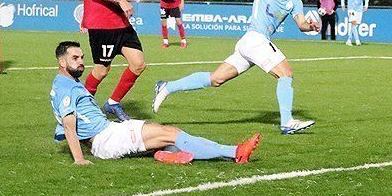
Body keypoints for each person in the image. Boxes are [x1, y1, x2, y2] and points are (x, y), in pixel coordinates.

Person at [152, 0, 319, 135]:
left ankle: (166, 87)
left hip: (250, 44)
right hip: (255, 39)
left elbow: (301, 23)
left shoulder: (295, 1)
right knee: (286, 73)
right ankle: (287, 122)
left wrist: (310, 26)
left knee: (216, 79)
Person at [51, 41, 260, 165]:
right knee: (171, 133)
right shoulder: (65, 88)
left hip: (107, 134)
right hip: (106, 138)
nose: (81, 62)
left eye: (81, 57)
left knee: (163, 136)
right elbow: (69, 126)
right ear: (62, 62)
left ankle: (163, 155)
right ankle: (236, 152)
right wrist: (78, 159)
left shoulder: (66, 84)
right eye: (75, 58)